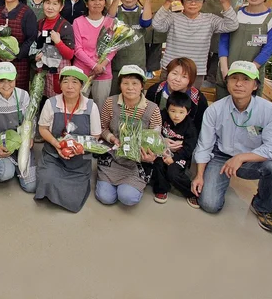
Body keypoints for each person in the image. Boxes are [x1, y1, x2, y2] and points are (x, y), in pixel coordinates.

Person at [192, 61, 272, 233]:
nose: (238, 84)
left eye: (245, 79)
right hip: (221, 157)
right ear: (227, 82)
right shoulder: (215, 110)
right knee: (209, 204)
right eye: (234, 78)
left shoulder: (269, 111)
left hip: (252, 159)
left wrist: (241, 158)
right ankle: (218, 180)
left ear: (255, 85)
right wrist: (199, 175)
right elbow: (205, 145)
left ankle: (262, 206)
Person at [35, 66, 101, 213]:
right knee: (46, 179)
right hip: (54, 155)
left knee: (73, 195)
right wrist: (56, 144)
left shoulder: (90, 106)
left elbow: (96, 135)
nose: (69, 86)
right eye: (65, 82)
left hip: (80, 158)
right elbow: (42, 129)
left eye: (75, 82)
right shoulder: (51, 103)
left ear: (81, 86)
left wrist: (79, 148)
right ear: (60, 85)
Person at [96, 66, 162, 207]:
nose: (130, 87)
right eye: (125, 83)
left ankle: (134, 184)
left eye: (135, 83)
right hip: (113, 157)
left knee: (127, 198)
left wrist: (151, 156)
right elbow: (102, 128)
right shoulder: (110, 102)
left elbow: (156, 140)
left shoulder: (152, 109)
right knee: (105, 197)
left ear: (142, 86)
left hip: (137, 163)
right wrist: (112, 139)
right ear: (120, 85)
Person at [151, 0, 239, 86]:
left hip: (196, 71)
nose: (193, 3)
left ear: (203, 2)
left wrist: (225, 2)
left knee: (191, 100)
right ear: (182, 1)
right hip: (171, 69)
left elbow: (232, 25)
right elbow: (157, 25)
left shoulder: (210, 19)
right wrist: (168, 2)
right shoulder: (173, 17)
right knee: (166, 98)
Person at [217, 0, 272, 98]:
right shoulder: (235, 13)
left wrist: (247, 74)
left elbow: (268, 50)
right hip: (227, 69)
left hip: (252, 74)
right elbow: (223, 42)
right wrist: (225, 71)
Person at [0, 62, 35, 192]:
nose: (6, 85)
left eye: (10, 80)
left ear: (16, 78)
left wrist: (30, 137)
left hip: (20, 144)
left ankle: (15, 165)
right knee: (5, 174)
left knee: (30, 186)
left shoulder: (23, 95)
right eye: (1, 81)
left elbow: (30, 120)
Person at [73, 0, 117, 109]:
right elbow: (77, 49)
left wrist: (101, 65)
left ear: (105, 2)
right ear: (86, 4)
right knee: (79, 107)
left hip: (104, 72)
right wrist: (94, 65)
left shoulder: (111, 23)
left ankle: (99, 129)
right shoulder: (78, 22)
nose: (97, 3)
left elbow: (113, 48)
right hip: (82, 71)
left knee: (101, 108)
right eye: (92, 0)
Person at [151, 91, 198, 206]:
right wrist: (162, 148)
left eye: (181, 112)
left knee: (173, 172)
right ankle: (161, 189)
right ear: (167, 109)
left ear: (188, 112)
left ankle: (190, 192)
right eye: (173, 111)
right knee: (158, 164)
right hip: (162, 150)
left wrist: (174, 159)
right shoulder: (162, 117)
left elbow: (188, 148)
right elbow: (154, 133)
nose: (176, 115)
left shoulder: (190, 127)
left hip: (180, 155)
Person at [107, 0, 156, 92]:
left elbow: (146, 23)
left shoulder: (142, 11)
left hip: (137, 61)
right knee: (115, 93)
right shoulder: (117, 10)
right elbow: (109, 19)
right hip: (117, 61)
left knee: (135, 93)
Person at [145, 57, 209, 133]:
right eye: (174, 73)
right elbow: (146, 120)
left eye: (184, 76)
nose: (177, 79)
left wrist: (185, 142)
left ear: (191, 80)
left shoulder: (198, 99)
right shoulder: (155, 91)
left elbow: (200, 127)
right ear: (168, 73)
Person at [34, 0, 75, 97]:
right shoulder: (40, 23)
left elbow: (70, 54)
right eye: (47, 3)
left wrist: (58, 42)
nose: (50, 7)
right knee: (43, 100)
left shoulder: (65, 26)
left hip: (59, 72)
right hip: (43, 71)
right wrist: (36, 55)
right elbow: (35, 46)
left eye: (55, 4)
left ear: (61, 7)